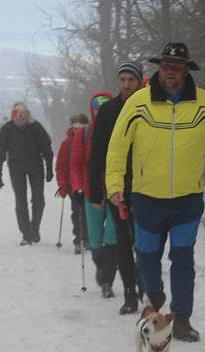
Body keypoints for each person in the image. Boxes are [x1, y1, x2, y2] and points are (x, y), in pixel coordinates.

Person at [106, 43, 205, 341]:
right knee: (146, 256)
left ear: (187, 69)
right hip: (147, 197)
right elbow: (118, 147)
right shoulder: (138, 102)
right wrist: (114, 185)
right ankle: (155, 297)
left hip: (187, 198)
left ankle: (182, 318)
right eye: (165, 66)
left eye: (176, 67)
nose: (170, 72)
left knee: (183, 257)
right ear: (158, 68)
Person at [88, 62, 145, 315]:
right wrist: (95, 190)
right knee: (123, 240)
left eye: (131, 80)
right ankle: (130, 294)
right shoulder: (109, 110)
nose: (126, 85)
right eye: (122, 80)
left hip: (147, 185)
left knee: (145, 241)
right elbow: (97, 151)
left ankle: (146, 284)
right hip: (117, 186)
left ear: (139, 81)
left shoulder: (149, 106)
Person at [71, 91, 120, 299]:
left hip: (115, 192)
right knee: (95, 238)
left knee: (113, 236)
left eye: (104, 106)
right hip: (92, 192)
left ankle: (107, 280)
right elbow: (74, 165)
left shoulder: (121, 129)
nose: (100, 110)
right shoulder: (84, 134)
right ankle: (101, 267)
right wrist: (77, 187)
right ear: (92, 109)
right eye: (96, 107)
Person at [0, 102, 54, 245]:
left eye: (24, 114)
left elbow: (47, 148)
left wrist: (50, 168)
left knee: (38, 199)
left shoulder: (36, 127)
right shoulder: (7, 128)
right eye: (18, 114)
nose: (21, 117)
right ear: (13, 114)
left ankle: (35, 228)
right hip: (16, 166)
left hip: (35, 166)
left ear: (28, 114)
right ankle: (26, 234)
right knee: (21, 201)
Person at [55, 113, 89, 254]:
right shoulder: (67, 143)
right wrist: (62, 184)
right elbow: (61, 165)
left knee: (89, 211)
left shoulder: (91, 140)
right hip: (72, 184)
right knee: (77, 211)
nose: (78, 130)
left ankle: (89, 238)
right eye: (75, 127)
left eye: (81, 127)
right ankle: (79, 239)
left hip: (90, 181)